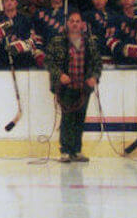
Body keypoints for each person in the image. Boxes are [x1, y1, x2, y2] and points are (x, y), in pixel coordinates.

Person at [44, 10, 102, 163]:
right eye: (72, 21)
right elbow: (48, 62)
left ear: (82, 24)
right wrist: (59, 75)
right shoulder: (57, 41)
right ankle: (65, 151)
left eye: (78, 21)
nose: (75, 24)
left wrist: (94, 77)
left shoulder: (90, 42)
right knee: (67, 119)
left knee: (79, 119)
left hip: (83, 88)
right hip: (66, 87)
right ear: (67, 24)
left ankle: (76, 151)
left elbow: (98, 63)